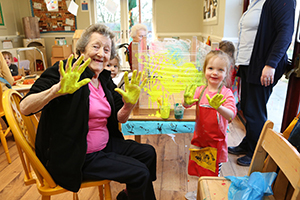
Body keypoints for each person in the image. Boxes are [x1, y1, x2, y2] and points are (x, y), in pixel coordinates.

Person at [19, 23, 157, 200]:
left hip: (104, 145)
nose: (101, 53)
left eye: (106, 50)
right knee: (140, 173)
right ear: (82, 50)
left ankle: (131, 195)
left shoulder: (104, 79)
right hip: (75, 156)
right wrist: (57, 90)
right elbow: (24, 107)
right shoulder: (66, 71)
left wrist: (129, 105)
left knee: (148, 153)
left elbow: (120, 118)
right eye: (96, 46)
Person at [228, 0, 295, 166]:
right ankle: (248, 143)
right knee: (247, 107)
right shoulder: (255, 2)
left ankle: (257, 152)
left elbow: (285, 33)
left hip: (262, 64)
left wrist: (271, 64)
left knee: (254, 111)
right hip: (248, 64)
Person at [183, 50, 237, 177]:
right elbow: (187, 105)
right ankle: (199, 194)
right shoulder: (200, 90)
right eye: (211, 68)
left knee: (211, 176)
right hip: (199, 141)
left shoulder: (226, 93)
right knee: (198, 170)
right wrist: (185, 102)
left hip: (216, 145)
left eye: (220, 70)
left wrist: (219, 107)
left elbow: (231, 115)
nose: (214, 72)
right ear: (204, 70)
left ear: (226, 73)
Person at [219, 40, 239, 104]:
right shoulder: (230, 66)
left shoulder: (230, 68)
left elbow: (227, 83)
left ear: (230, 54)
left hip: (229, 95)